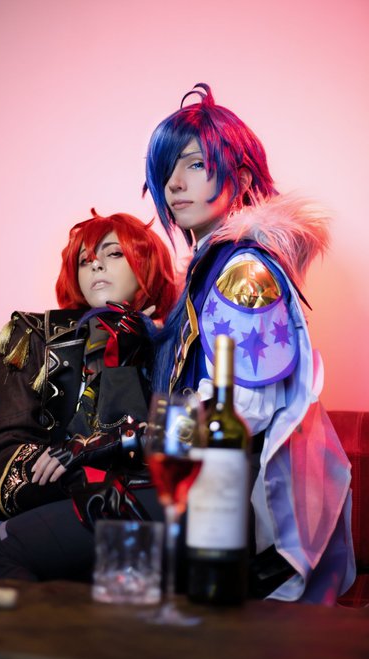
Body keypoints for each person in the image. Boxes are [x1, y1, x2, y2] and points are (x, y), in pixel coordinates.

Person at [143, 82, 355, 603]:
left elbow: (244, 410)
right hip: (202, 487)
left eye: (195, 165)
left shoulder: (243, 271)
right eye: (167, 170)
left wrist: (151, 439)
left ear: (238, 177)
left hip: (231, 505)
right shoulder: (208, 270)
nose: (174, 184)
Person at [0, 210, 176, 579]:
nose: (96, 265)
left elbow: (156, 456)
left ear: (147, 264)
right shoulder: (34, 335)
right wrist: (77, 475)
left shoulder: (172, 351)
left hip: (90, 524)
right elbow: (8, 448)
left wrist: (124, 358)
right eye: (85, 260)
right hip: (3, 513)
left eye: (114, 253)